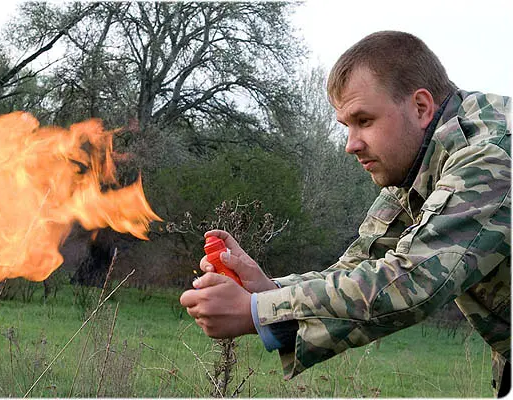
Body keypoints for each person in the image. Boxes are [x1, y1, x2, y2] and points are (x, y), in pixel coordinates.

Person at [179, 30, 511, 397]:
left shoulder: (491, 156)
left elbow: (412, 281)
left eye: (364, 121)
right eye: (346, 126)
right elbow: (360, 265)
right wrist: (269, 289)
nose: (351, 145)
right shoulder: (418, 161)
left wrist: (258, 311)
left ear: (420, 107)